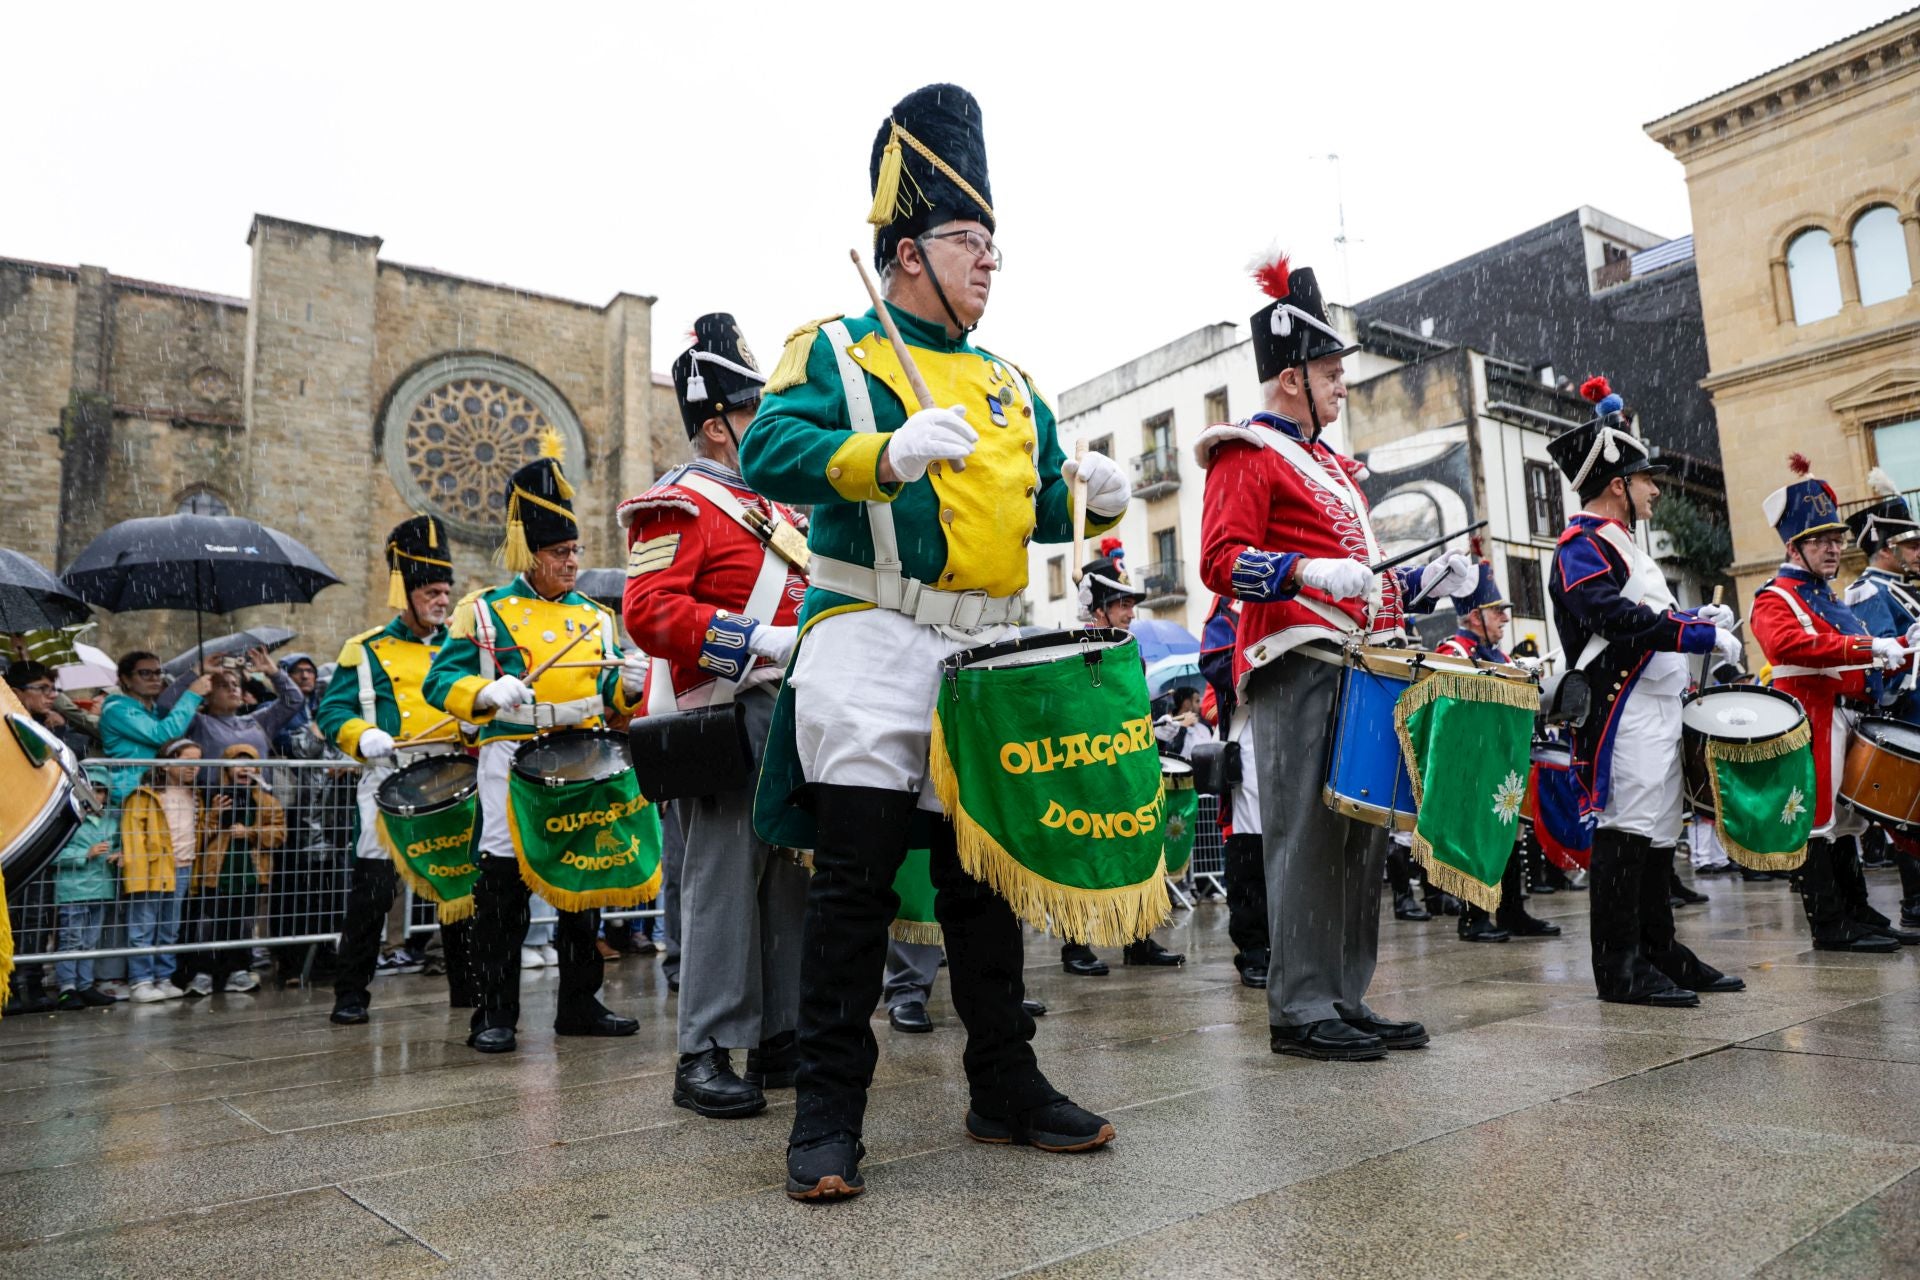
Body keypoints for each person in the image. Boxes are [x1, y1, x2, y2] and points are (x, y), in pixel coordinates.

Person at [739, 83, 1126, 1201]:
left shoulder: (1013, 385)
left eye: (995, 244)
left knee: (982, 883)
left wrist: (1093, 495)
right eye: (969, 240)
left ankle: (1004, 1081)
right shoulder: (839, 348)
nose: (990, 261)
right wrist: (883, 455)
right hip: (867, 631)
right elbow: (770, 449)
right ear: (907, 251)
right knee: (855, 882)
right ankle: (826, 1112)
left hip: (980, 650)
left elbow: (1044, 510)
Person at [1197, 254, 1473, 1061]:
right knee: (1307, 835)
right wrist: (1301, 571)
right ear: (1290, 379)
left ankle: (1343, 995)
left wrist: (1422, 581)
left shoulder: (1331, 467)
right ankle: (1299, 1004)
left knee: (1359, 835)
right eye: (1329, 371)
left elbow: (1361, 571)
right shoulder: (1247, 451)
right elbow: (1219, 561)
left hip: (1361, 659)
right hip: (1297, 656)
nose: (1341, 385)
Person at [618, 312, 810, 1119]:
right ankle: (703, 1050)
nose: (767, 424)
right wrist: (751, 639)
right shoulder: (680, 504)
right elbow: (649, 610)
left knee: (783, 881)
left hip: (784, 712)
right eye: (754, 412)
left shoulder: (780, 511)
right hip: (719, 714)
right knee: (723, 885)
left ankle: (778, 1033)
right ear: (717, 426)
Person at [423, 454, 646, 1054]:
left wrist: (626, 685)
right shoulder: (484, 610)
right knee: (501, 887)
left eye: (575, 551)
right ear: (530, 554)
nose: (572, 563)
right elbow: (437, 684)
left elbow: (605, 689)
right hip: (511, 755)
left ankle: (579, 1003)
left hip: (581, 755)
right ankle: (494, 1011)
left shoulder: (595, 618)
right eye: (560, 554)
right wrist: (483, 692)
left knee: (584, 885)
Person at [1545, 376, 1746, 1006]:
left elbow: (1646, 617)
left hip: (1657, 707)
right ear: (1615, 485)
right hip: (1622, 710)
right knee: (1626, 832)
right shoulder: (1581, 543)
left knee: (1659, 833)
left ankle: (1659, 950)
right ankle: (1619, 967)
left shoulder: (1624, 544)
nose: (1656, 489)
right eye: (1645, 479)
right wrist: (1693, 634)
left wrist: (1696, 628)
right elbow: (1610, 615)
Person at [1750, 456, 1918, 952]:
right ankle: (1828, 922)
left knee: (1847, 821)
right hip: (1811, 715)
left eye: (1836, 538)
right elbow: (1789, 646)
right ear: (1793, 546)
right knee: (1817, 818)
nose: (1833, 548)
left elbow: (1863, 654)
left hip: (1846, 714)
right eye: (1821, 540)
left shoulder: (1829, 597)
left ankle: (1856, 910)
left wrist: (1901, 645)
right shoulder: (1776, 595)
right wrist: (1866, 648)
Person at [316, 514, 471, 1025]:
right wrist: (363, 736)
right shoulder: (365, 649)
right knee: (375, 888)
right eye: (431, 591)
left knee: (457, 888)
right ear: (404, 591)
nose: (442, 601)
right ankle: (351, 992)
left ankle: (467, 991)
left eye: (445, 591)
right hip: (390, 775)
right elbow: (333, 711)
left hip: (450, 775)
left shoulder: (462, 649)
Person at [1058, 556, 1185, 975]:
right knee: (1084, 852)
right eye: (1122, 605)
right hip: (1086, 770)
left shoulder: (1132, 654)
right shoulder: (1074, 652)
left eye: (1132, 605)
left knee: (1135, 849)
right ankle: (1075, 946)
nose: (1131, 614)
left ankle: (1137, 938)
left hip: (1127, 768)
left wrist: (1155, 727)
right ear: (1097, 610)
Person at [1435, 564, 1561, 944]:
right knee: (1477, 837)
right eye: (1497, 611)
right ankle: (1473, 918)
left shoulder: (1499, 655)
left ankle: (1511, 911)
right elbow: (1449, 711)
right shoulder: (1452, 651)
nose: (1505, 617)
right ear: (1475, 616)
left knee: (1509, 835)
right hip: (1472, 764)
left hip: (1502, 761)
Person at [1840, 471, 1920, 926]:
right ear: (1885, 548)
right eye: (1911, 545)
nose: (1918, 552)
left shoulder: (1905, 589)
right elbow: (1878, 663)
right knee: (1909, 814)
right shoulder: (1869, 590)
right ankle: (1915, 904)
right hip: (1906, 716)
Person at [1200, 594, 1270, 987]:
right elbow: (1216, 662)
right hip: (1252, 736)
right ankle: (1255, 949)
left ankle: (1288, 944)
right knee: (1250, 852)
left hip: (1301, 730)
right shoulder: (1231, 601)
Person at [179, 744, 281, 995]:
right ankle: (203, 973)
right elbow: (197, 835)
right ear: (226, 769)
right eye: (237, 763)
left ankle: (238, 970)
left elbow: (279, 833)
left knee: (243, 925)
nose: (244, 769)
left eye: (250, 763)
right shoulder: (211, 797)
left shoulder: (267, 801)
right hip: (216, 874)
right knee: (209, 925)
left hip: (249, 874)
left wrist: (251, 833)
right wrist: (214, 816)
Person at [119, 738, 208, 1002]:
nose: (195, 768)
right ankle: (140, 980)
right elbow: (133, 834)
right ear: (167, 763)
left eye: (199, 763)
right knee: (144, 926)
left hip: (183, 867)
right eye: (188, 762)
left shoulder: (196, 795)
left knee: (170, 927)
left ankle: (164, 976)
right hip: (152, 868)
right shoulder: (146, 795)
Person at [158, 646, 305, 760]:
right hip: (215, 797)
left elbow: (293, 700)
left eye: (235, 684)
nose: (232, 689)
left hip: (258, 797)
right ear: (208, 694)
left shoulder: (259, 721)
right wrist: (196, 673)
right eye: (223, 685)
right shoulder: (198, 723)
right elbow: (165, 705)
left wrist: (273, 672)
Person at [52, 768, 120, 1009]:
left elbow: (121, 846)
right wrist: (85, 854)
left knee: (90, 940)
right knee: (71, 939)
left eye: (101, 791)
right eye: (92, 789)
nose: (96, 795)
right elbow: (53, 856)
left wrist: (119, 855)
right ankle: (67, 987)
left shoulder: (111, 822)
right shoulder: (69, 820)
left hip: (102, 889)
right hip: (73, 891)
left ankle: (84, 985)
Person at [99, 652, 208, 801]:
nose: (154, 678)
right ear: (125, 679)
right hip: (131, 794)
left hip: (160, 792)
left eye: (158, 672)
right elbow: (164, 735)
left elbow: (170, 699)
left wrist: (196, 672)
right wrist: (192, 694)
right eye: (145, 673)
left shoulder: (156, 710)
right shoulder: (116, 709)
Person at [6, 660, 94, 758]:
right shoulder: (8, 725)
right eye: (43, 688)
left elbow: (79, 750)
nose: (53, 695)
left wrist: (60, 727)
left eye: (53, 689)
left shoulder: (45, 719)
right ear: (15, 693)